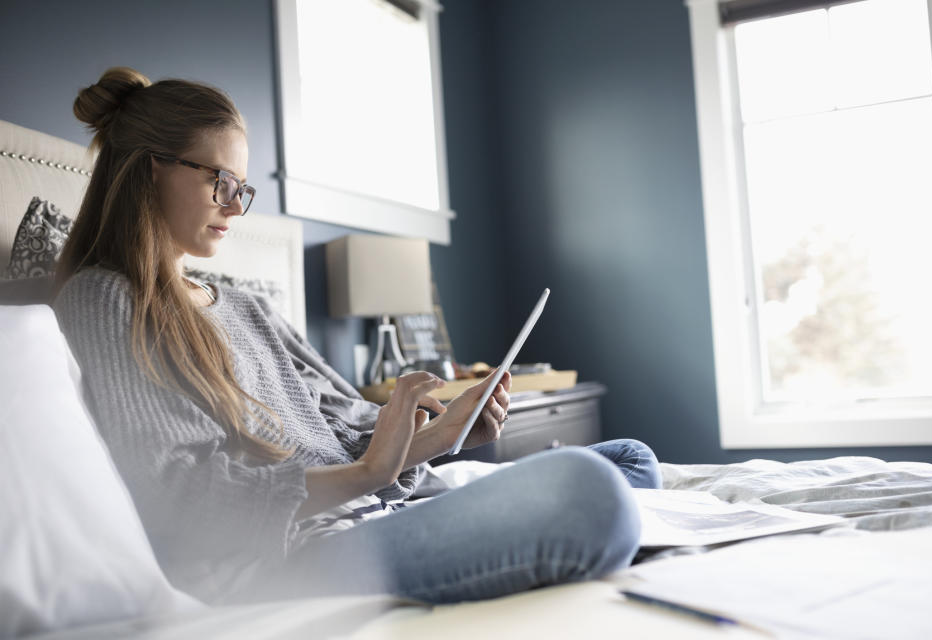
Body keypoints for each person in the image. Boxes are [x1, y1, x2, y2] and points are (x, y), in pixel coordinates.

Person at [53, 67, 662, 606]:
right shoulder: (105, 299)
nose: (235, 208)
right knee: (593, 494)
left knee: (631, 459)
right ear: (148, 168)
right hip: (293, 557)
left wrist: (437, 437)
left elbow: (344, 436)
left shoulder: (247, 306)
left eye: (243, 188)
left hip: (369, 511)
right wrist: (369, 474)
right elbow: (180, 499)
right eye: (221, 181)